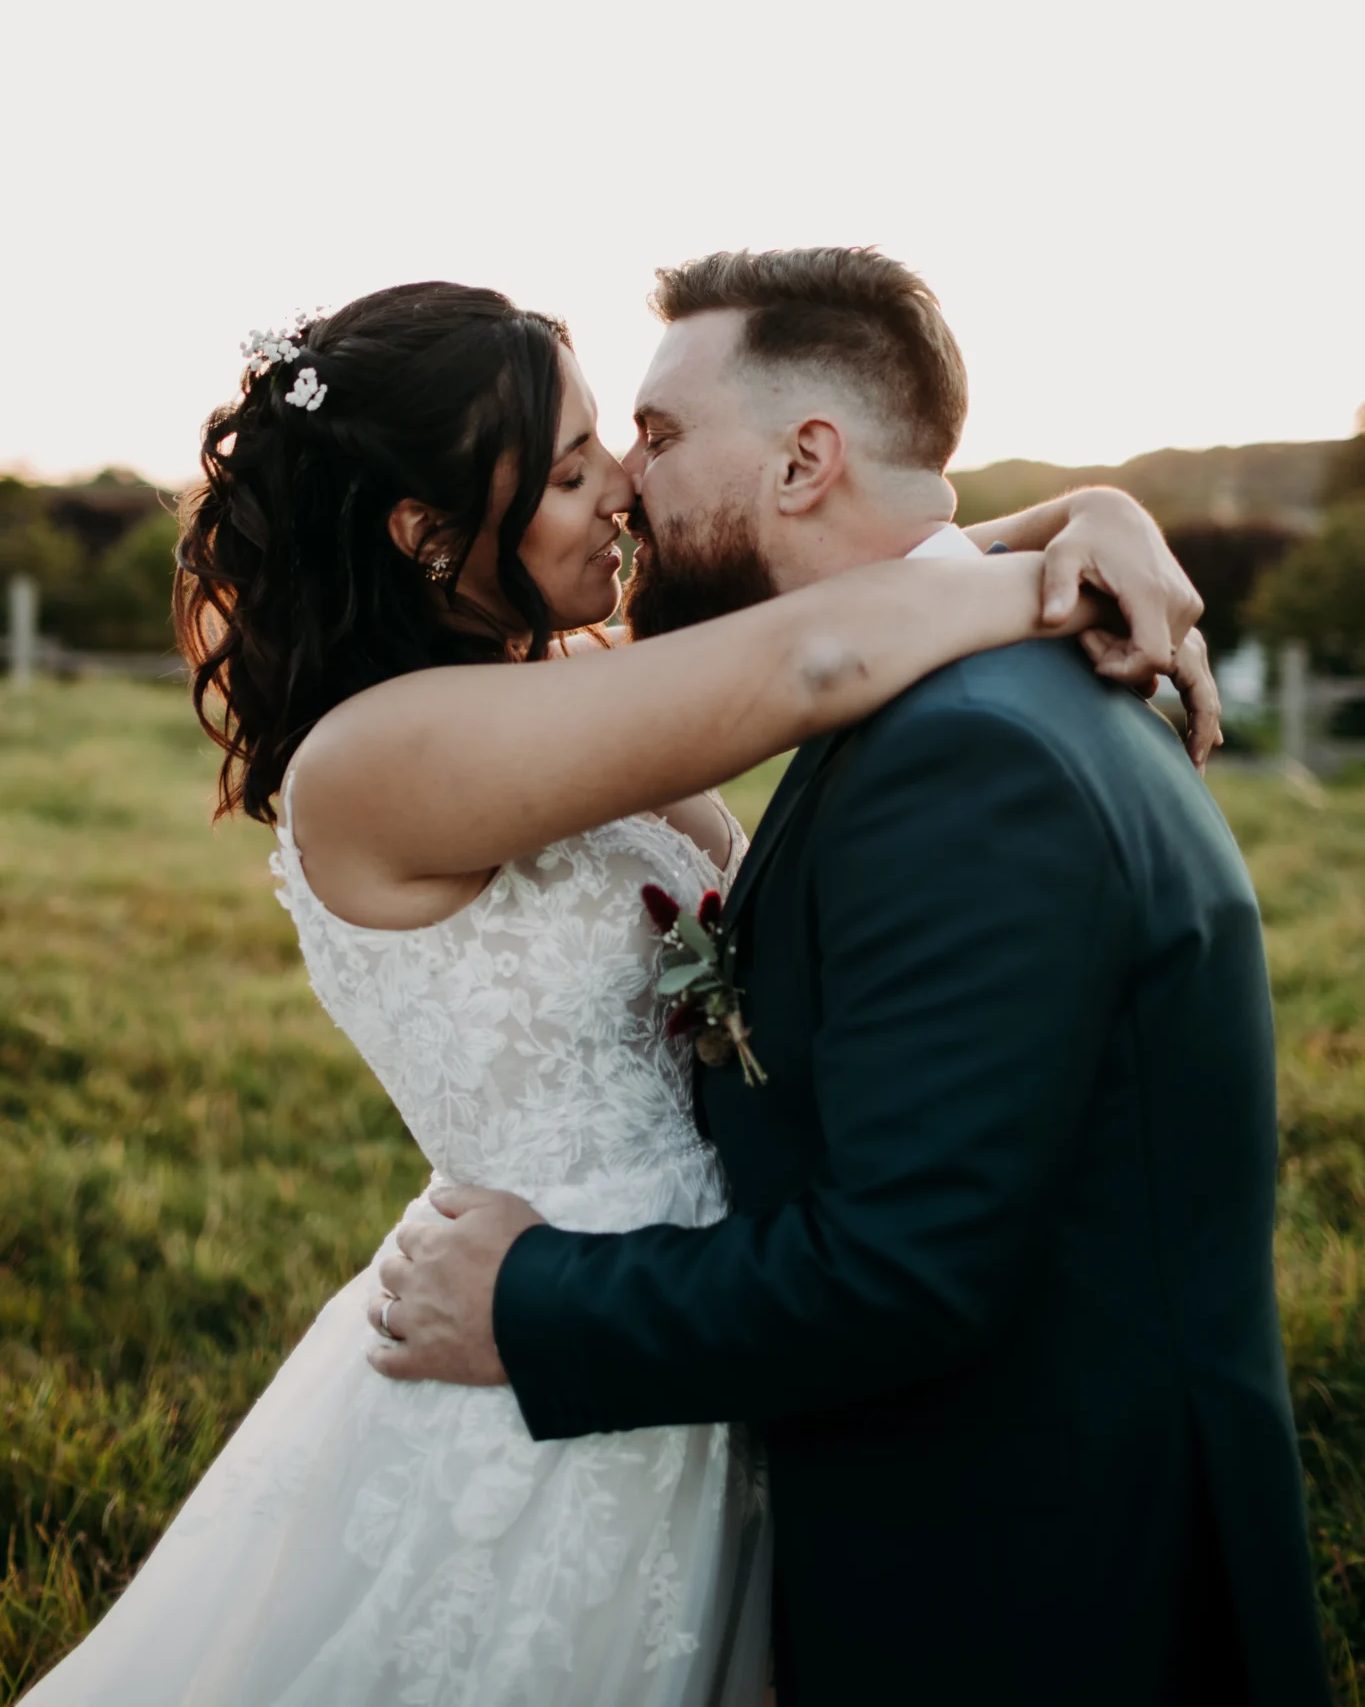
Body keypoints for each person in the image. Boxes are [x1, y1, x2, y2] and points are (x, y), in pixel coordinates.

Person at [22, 274, 1212, 1707]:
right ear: (425, 534)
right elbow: (825, 650)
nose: (626, 490)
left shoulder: (568, 681)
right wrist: (1054, 576)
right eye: (575, 467)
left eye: (619, 445)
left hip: (710, 1330)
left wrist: (1096, 517)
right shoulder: (374, 760)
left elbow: (862, 581)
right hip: (546, 1356)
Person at [369, 250, 1331, 1707]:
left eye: (660, 433)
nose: (629, 481)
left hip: (1035, 1586)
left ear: (807, 460)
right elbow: (825, 642)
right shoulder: (966, 679)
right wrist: (1084, 514)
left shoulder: (969, 752)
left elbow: (906, 1269)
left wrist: (532, 1301)